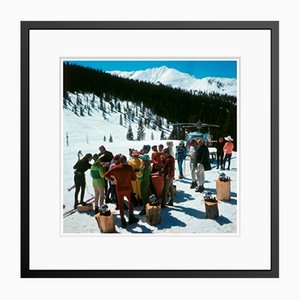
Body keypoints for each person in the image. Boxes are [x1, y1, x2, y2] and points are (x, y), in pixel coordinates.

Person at [105, 155, 139, 228]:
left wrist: (113, 180)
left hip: (119, 189)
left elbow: (106, 175)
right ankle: (131, 217)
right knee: (131, 202)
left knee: (120, 204)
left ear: (119, 161)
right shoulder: (129, 168)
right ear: (126, 160)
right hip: (128, 188)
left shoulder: (116, 168)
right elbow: (134, 178)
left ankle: (123, 220)